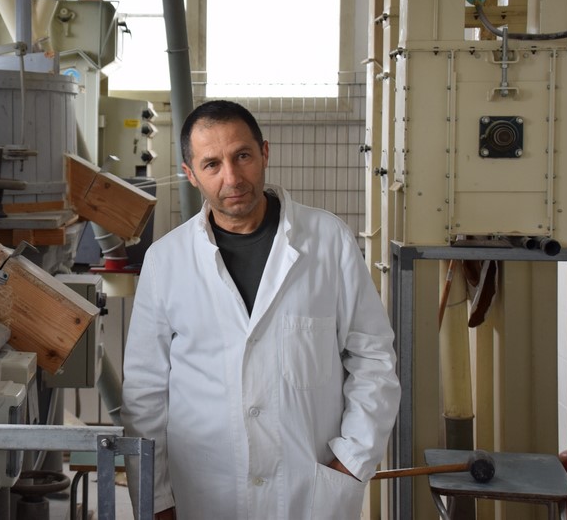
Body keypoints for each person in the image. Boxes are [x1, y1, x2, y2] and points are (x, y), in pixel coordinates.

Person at [121, 100, 400, 519]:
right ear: (190, 173)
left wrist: (351, 461)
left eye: (243, 156)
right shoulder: (168, 260)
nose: (232, 178)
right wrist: (156, 498)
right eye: (211, 164)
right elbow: (145, 392)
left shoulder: (328, 240)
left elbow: (373, 359)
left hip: (308, 490)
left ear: (264, 153)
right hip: (202, 493)